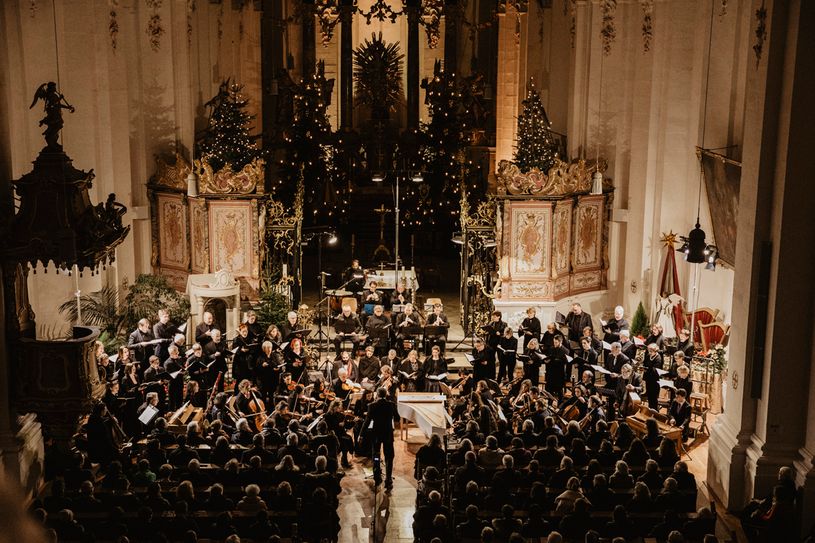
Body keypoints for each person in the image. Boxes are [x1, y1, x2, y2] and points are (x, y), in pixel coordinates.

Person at [363, 387, 400, 490]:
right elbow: (397, 418)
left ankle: (377, 477)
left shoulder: (372, 406)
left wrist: (361, 434)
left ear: (377, 395)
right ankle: (388, 480)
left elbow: (367, 421)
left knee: (376, 455)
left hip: (376, 435)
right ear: (386, 395)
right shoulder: (391, 405)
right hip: (388, 434)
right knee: (389, 457)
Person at [163, 344, 186, 411]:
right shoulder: (167, 363)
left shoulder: (179, 359)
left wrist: (184, 368)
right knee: (172, 402)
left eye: (178, 352)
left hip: (180, 382)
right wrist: (179, 373)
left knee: (180, 400)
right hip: (173, 384)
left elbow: (182, 367)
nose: (178, 354)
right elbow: (168, 376)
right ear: (171, 353)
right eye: (176, 353)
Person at [642, 343, 663, 409]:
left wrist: (647, 369)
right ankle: (650, 412)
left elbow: (655, 370)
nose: (649, 352)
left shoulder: (658, 358)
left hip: (654, 381)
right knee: (649, 398)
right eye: (649, 351)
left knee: (654, 399)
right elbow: (645, 363)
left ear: (655, 351)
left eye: (651, 351)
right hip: (648, 379)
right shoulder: (648, 356)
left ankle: (655, 413)